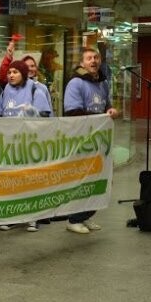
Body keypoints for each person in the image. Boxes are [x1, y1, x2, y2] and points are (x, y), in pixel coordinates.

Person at [63, 47, 119, 234]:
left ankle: (86, 216)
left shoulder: (102, 83)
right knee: (83, 180)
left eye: (96, 57)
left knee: (100, 179)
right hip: (82, 142)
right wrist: (101, 116)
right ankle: (74, 219)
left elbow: (106, 105)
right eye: (89, 58)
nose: (93, 61)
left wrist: (111, 111)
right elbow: (73, 112)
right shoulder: (76, 83)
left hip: (100, 142)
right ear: (82, 63)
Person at [0, 60, 52, 232]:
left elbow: (44, 115)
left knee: (30, 180)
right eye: (9, 72)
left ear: (24, 74)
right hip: (9, 145)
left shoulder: (35, 89)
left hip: (30, 144)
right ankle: (12, 216)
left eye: (15, 72)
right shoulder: (6, 90)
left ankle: (32, 218)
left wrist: (32, 113)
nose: (11, 75)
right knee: (12, 180)